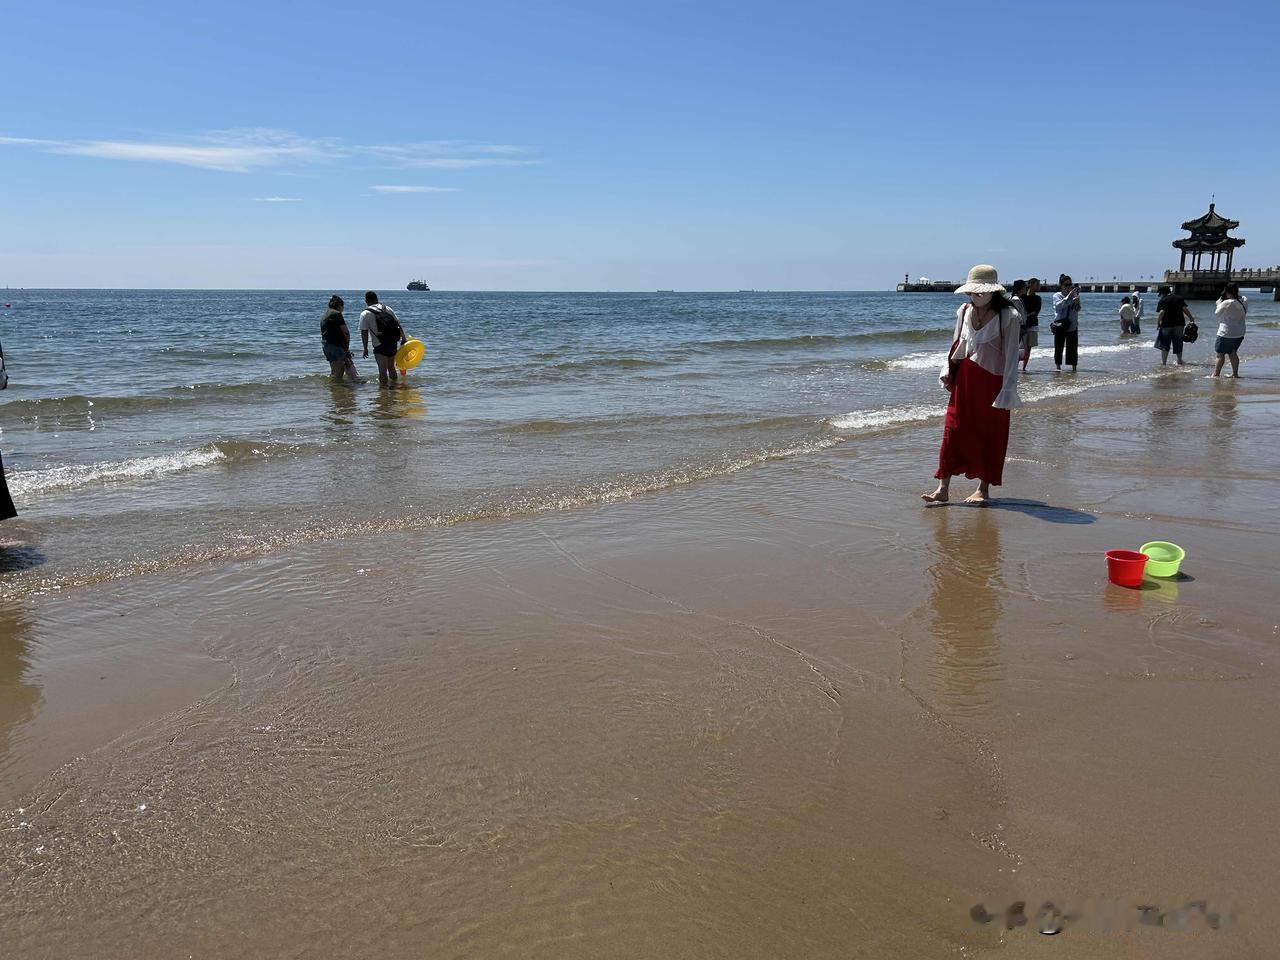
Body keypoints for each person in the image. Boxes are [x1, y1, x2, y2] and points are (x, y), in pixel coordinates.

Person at [922, 264, 1022, 506]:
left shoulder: (1009, 316)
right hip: (965, 379)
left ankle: (983, 489)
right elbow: (957, 343)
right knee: (953, 430)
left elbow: (1011, 357)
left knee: (990, 434)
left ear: (992, 292)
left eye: (978, 291)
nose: (973, 295)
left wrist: (1008, 391)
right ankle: (942, 488)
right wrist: (948, 371)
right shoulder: (965, 310)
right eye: (971, 291)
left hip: (993, 383)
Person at [359, 291, 407, 386]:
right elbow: (398, 324)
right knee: (392, 368)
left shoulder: (365, 313)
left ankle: (383, 392)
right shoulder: (387, 308)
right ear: (377, 299)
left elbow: (364, 332)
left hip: (379, 345)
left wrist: (365, 348)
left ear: (366, 301)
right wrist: (404, 338)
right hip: (392, 342)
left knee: (382, 371)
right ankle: (394, 388)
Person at [320, 295, 361, 382]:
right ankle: (338, 389)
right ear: (339, 305)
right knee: (339, 373)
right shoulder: (336, 314)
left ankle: (332, 388)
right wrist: (347, 348)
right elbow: (346, 332)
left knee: (334, 371)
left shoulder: (324, 316)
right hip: (336, 346)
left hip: (326, 346)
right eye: (343, 307)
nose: (343, 309)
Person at [1212, 282, 1248, 378]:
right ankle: (1235, 374)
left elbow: (1217, 314)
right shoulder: (1244, 299)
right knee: (1233, 353)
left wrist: (1219, 303)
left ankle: (1216, 374)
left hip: (1226, 332)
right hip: (1240, 332)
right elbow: (1244, 312)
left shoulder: (1227, 302)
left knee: (1220, 354)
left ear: (1226, 291)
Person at [1155, 285, 1193, 366]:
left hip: (1166, 325)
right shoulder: (1179, 298)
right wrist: (1191, 318)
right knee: (1178, 342)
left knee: (1165, 344)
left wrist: (1158, 323)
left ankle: (1164, 363)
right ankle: (1179, 361)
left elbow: (1162, 313)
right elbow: (1185, 309)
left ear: (1162, 293)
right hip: (1179, 324)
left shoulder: (1163, 300)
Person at [1050, 274, 1081, 372]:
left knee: (1073, 348)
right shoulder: (1057, 295)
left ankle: (1074, 369)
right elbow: (1058, 306)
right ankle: (1058, 368)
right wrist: (1068, 297)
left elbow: (1078, 309)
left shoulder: (1074, 295)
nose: (1068, 287)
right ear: (1061, 285)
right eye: (1066, 285)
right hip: (1060, 324)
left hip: (1072, 324)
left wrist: (1076, 300)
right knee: (1058, 347)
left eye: (1070, 285)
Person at [1020, 277, 1042, 372]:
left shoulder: (1037, 298)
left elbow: (1036, 312)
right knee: (1019, 346)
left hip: (1032, 324)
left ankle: (1024, 368)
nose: (1039, 287)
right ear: (1030, 285)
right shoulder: (1022, 297)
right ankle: (1016, 365)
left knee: (1028, 347)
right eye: (1037, 284)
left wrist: (1026, 315)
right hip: (1022, 325)